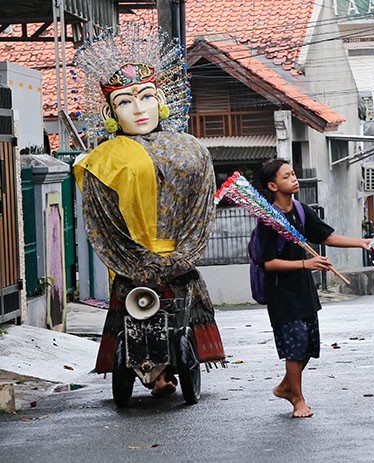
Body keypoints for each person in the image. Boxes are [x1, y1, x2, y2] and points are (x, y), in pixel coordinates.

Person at [72, 25, 225, 396]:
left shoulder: (191, 151)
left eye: (146, 96)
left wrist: (184, 254)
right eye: (124, 101)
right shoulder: (102, 161)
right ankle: (151, 374)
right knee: (135, 321)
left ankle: (168, 372)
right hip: (133, 267)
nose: (138, 109)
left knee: (178, 317)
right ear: (110, 113)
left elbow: (200, 210)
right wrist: (137, 259)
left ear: (162, 100)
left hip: (179, 260)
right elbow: (104, 224)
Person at [255, 158, 371, 418]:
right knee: (295, 347)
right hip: (282, 293)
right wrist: (307, 263)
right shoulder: (268, 220)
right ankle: (298, 400)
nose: (293, 178)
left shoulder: (301, 209)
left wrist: (361, 242)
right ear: (273, 185)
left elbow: (327, 237)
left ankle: (286, 386)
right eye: (286, 176)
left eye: (293, 173)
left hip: (304, 291)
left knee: (307, 346)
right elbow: (268, 263)